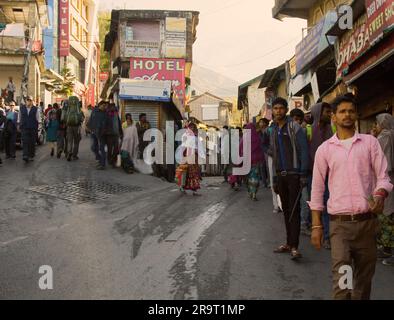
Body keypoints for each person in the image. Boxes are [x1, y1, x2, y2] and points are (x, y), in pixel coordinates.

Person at [309, 94, 392, 300]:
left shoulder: (370, 143)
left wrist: (380, 195)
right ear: (334, 117)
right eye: (342, 111)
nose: (347, 114)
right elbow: (317, 189)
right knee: (343, 282)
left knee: (363, 284)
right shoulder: (325, 150)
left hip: (366, 225)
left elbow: (383, 177)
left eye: (351, 111)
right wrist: (317, 226)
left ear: (356, 115)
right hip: (340, 227)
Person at [270, 97, 309, 260]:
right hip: (280, 175)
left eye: (281, 108)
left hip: (294, 175)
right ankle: (288, 243)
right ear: (272, 110)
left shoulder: (295, 127)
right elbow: (273, 153)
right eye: (275, 108)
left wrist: (303, 174)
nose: (278, 111)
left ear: (286, 109)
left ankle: (294, 247)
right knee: (286, 210)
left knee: (294, 211)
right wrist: (274, 177)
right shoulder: (273, 130)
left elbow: (304, 151)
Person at [307, 102, 335, 249]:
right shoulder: (309, 131)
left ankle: (331, 236)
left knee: (331, 205)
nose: (329, 114)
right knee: (320, 205)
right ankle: (325, 235)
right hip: (315, 174)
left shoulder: (334, 129)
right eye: (326, 112)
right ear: (318, 113)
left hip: (333, 175)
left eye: (330, 112)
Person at [375, 113, 394, 266]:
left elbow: (384, 164)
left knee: (386, 215)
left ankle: (388, 249)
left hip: (387, 182)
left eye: (377, 123)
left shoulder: (384, 137)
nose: (376, 126)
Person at [181, 122, 204, 196]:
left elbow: (199, 146)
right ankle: (182, 187)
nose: (192, 129)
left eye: (193, 128)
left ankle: (194, 190)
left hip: (194, 157)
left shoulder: (196, 137)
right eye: (190, 128)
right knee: (186, 172)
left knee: (194, 173)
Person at [242, 123, 263, 201]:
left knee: (247, 177)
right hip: (255, 161)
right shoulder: (257, 137)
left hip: (246, 161)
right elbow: (261, 149)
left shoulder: (244, 138)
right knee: (255, 177)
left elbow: (241, 149)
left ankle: (250, 191)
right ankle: (254, 193)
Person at [18, 96, 41, 163]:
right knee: (25, 142)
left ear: (32, 101)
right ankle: (25, 155)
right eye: (28, 100)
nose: (29, 101)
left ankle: (31, 155)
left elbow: (38, 119)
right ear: (25, 101)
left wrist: (38, 127)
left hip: (33, 128)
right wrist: (18, 125)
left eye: (30, 100)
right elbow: (19, 118)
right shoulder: (21, 108)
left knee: (32, 142)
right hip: (24, 128)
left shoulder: (36, 109)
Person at [62, 96, 84, 161]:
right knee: (76, 141)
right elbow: (82, 118)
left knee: (69, 141)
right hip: (77, 126)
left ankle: (69, 152)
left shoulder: (68, 107)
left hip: (69, 126)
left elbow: (64, 117)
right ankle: (74, 155)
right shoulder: (78, 108)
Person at [257, 118, 270, 188]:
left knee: (268, 167)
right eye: (260, 122)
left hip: (267, 151)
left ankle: (270, 181)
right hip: (260, 151)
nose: (260, 124)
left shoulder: (268, 130)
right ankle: (264, 182)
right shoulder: (258, 132)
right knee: (262, 167)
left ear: (265, 123)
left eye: (262, 122)